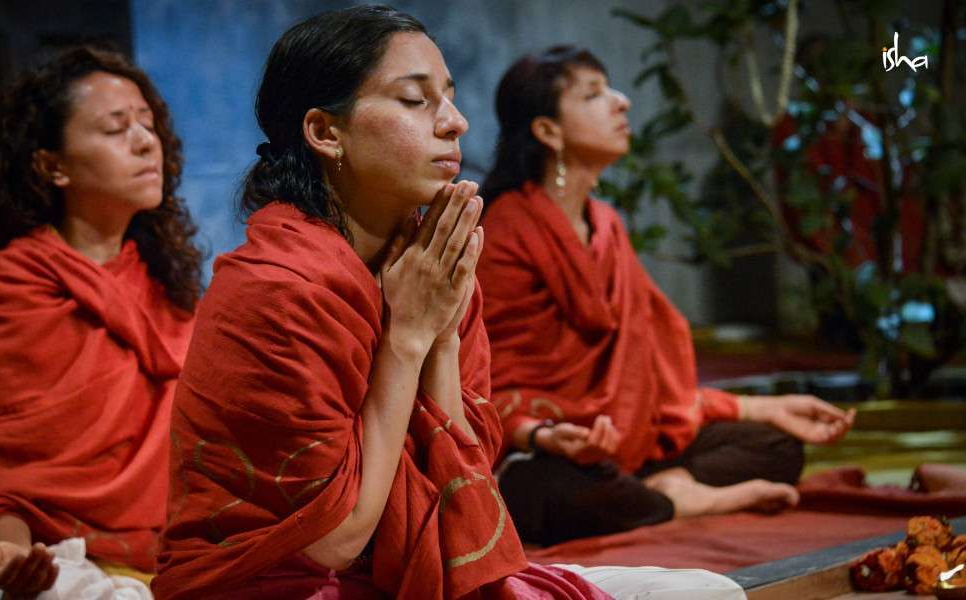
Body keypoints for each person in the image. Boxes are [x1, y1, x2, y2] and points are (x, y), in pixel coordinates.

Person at [153, 7, 744, 599]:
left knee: (705, 590)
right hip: (282, 584)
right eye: (416, 101)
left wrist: (438, 334)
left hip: (417, 563)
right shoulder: (276, 288)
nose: (456, 123)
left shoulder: (430, 260)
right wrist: (408, 337)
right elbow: (336, 541)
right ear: (326, 132)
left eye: (450, 99)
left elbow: (469, 471)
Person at [476, 46, 857, 547]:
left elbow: (649, 387)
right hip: (543, 452)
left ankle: (660, 494)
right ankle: (685, 499)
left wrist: (768, 408)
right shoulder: (505, 230)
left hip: (627, 444)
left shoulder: (607, 225)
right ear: (548, 131)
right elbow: (479, 382)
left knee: (777, 445)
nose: (622, 102)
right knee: (549, 491)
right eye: (595, 94)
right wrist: (540, 434)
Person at [0, 46, 201, 598]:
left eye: (148, 125)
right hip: (62, 559)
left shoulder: (168, 283)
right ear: (53, 166)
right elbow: (1, 469)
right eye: (117, 129)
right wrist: (9, 553)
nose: (148, 143)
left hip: (180, 550)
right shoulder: (14, 286)